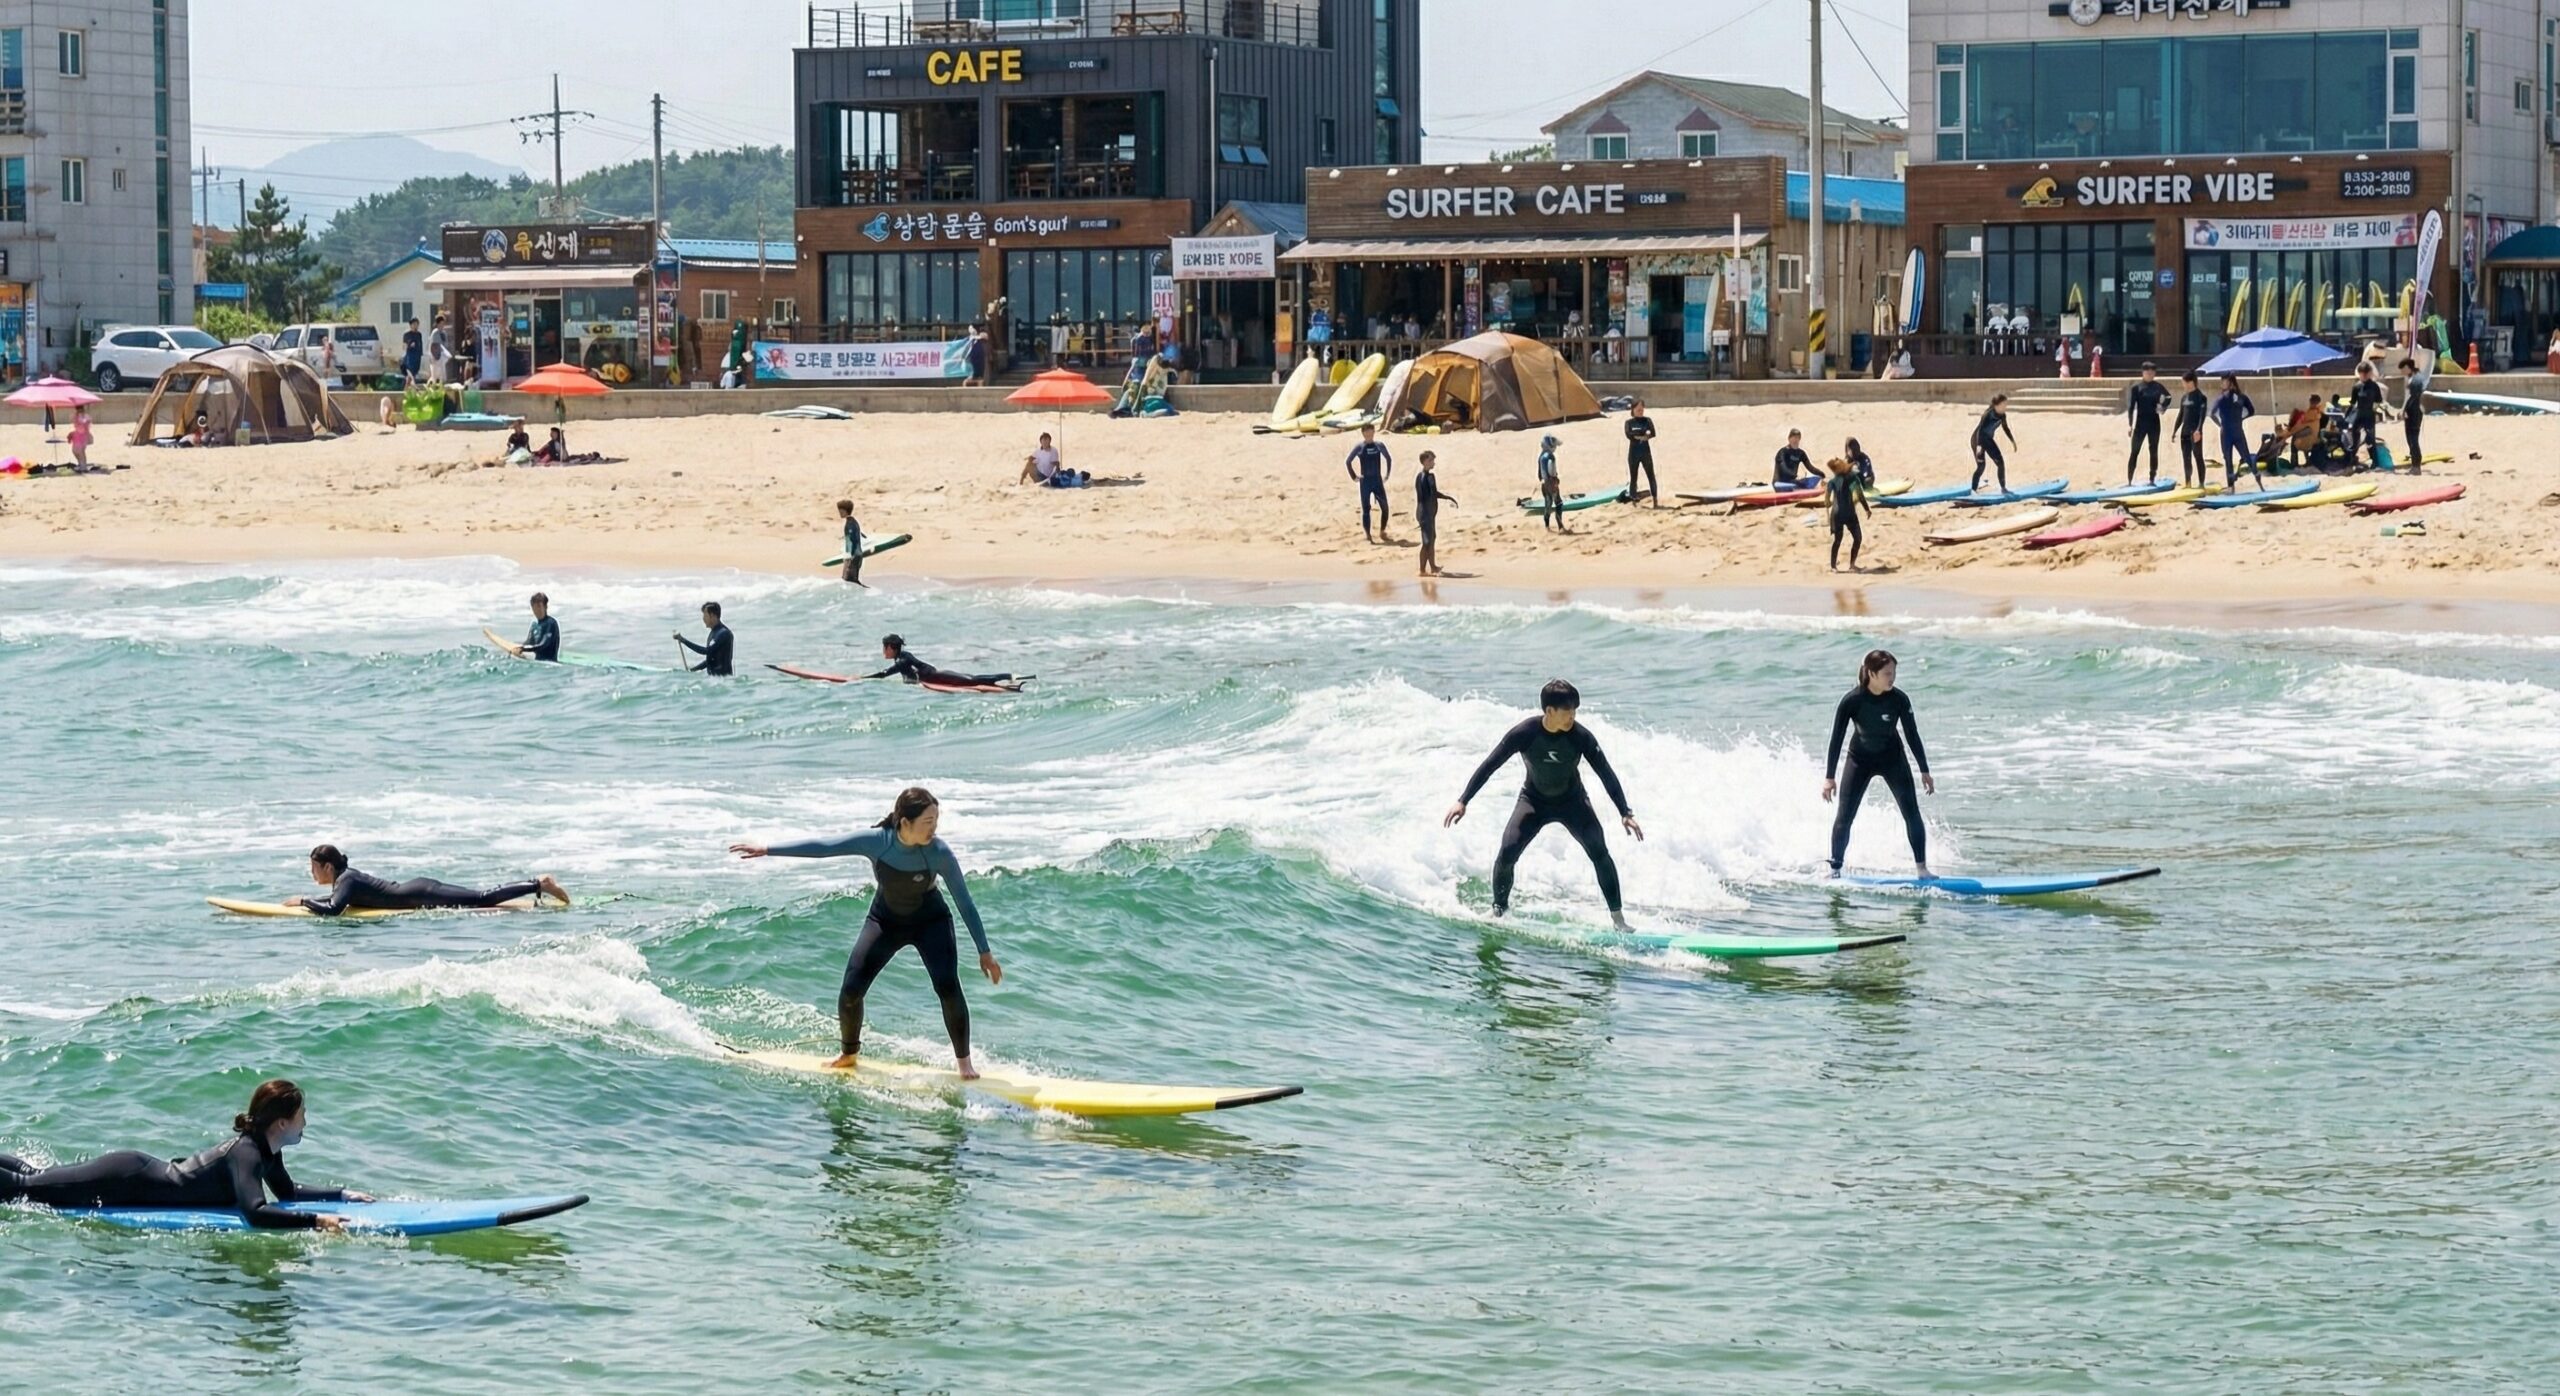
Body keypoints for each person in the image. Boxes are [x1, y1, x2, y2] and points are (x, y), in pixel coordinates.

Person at [729, 787, 1001, 1079]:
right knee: (851, 991)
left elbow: (964, 902)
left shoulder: (939, 853)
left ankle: (965, 1064)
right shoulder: (877, 841)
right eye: (928, 821)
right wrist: (768, 849)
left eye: (936, 820)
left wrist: (984, 951)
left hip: (930, 922)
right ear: (905, 822)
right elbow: (825, 846)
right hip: (885, 921)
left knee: (947, 987)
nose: (934, 828)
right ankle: (848, 1054)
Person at [0, 1079, 371, 1230]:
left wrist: (342, 1195)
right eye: (302, 1116)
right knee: (24, 1187)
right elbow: (255, 1212)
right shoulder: (247, 1153)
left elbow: (287, 1192)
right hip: (125, 1177)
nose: (306, 1122)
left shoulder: (267, 1151)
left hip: (136, 1174)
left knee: (33, 1176)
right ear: (282, 1123)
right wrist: (315, 1221)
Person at [1443, 679, 1643, 928]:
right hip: (1534, 801)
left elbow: (1605, 772)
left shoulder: (1580, 737)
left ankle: (1619, 921)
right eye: (1567, 711)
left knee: (1599, 851)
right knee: (1507, 852)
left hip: (1573, 802)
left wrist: (1625, 812)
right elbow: (1490, 764)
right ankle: (1499, 912)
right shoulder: (1525, 733)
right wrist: (1463, 800)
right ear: (1549, 711)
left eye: (1575, 710)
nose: (1573, 716)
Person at [1822, 649, 1934, 879]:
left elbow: (1912, 735)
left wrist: (1924, 770)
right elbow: (1836, 738)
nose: (1892, 678)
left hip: (1893, 759)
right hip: (1859, 760)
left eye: (1894, 673)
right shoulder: (1852, 701)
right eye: (1887, 673)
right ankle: (1835, 870)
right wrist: (1829, 777)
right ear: (1872, 674)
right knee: (1844, 817)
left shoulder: (1899, 699)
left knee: (1911, 813)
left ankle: (1922, 870)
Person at [284, 844, 568, 916]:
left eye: (314, 868)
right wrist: (307, 901)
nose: (312, 873)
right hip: (419, 889)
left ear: (328, 866)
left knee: (482, 898)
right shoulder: (345, 880)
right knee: (481, 897)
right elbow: (337, 900)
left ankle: (539, 884)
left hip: (423, 893)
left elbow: (334, 910)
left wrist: (305, 901)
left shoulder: (346, 880)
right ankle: (536, 885)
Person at [866, 634, 1019, 689]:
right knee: (971, 679)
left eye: (884, 648)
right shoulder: (902, 657)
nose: (883, 651)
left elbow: (884, 674)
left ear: (890, 648)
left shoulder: (902, 660)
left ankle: (1010, 677)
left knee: (972, 680)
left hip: (938, 677)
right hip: (936, 677)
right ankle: (1006, 679)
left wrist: (863, 678)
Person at [1823, 456, 1873, 572]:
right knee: (1858, 538)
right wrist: (1867, 509)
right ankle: (1852, 565)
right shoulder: (1853, 478)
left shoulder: (1832, 481)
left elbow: (1827, 501)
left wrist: (1828, 502)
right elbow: (1859, 495)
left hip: (1837, 514)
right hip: (1849, 513)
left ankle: (1833, 567)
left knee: (1837, 540)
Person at [2211, 375, 2260, 490]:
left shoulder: (2221, 398)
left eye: (2224, 382)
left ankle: (2231, 487)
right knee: (2246, 456)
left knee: (2228, 459)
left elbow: (2212, 414)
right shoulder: (2241, 397)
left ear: (2230, 383)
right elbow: (2251, 411)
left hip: (2226, 433)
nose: (2222, 384)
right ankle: (2259, 481)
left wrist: (2220, 424)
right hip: (2237, 431)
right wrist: (2242, 418)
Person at [1346, 423, 1393, 542]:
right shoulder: (1360, 447)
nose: (1368, 434)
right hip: (1365, 482)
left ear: (1374, 432)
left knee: (1385, 507)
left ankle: (1382, 531)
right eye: (1366, 431)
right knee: (1366, 509)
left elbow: (1388, 458)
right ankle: (1368, 534)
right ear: (1363, 433)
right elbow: (1348, 461)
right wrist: (1354, 476)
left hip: (1377, 480)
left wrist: (1387, 474)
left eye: (1370, 431)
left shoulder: (1379, 445)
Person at [2125, 361, 2170, 485]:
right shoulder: (2136, 388)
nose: (2150, 375)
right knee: (2135, 451)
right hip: (2140, 424)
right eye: (2147, 372)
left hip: (2154, 423)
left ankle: (2152, 479)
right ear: (2143, 373)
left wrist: (2162, 407)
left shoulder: (2158, 386)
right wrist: (2130, 425)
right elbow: (2131, 407)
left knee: (2153, 451)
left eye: (2152, 372)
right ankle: (2129, 480)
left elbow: (2168, 397)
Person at [1414, 449, 1456, 577]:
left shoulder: (1428, 476)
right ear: (1425, 461)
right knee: (1427, 541)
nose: (1433, 462)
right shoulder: (1423, 477)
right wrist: (1425, 515)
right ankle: (1422, 570)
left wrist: (1447, 497)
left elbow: (1433, 493)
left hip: (1429, 513)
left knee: (1432, 539)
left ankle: (1433, 567)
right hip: (1424, 513)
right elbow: (1425, 496)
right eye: (1431, 460)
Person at [1969, 395, 2016, 493]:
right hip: (1977, 440)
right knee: (1981, 466)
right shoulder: (1988, 414)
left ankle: (2003, 488)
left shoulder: (2002, 415)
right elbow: (1980, 431)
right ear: (1997, 405)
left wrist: (2013, 441)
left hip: (1988, 440)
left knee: (2000, 463)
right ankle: (1973, 490)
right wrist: (1979, 447)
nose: (2006, 406)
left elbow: (2006, 428)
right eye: (2004, 404)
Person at [677, 602, 734, 675]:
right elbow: (711, 660)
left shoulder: (724, 633)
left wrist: (683, 640)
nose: (703, 619)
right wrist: (692, 670)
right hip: (714, 679)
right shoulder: (713, 633)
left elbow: (706, 651)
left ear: (712, 615)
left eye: (705, 615)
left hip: (725, 679)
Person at [2345, 362, 2385, 467]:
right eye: (2362, 374)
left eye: (2366, 374)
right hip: (2359, 414)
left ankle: (2375, 462)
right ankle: (2351, 460)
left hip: (2369, 415)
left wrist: (2374, 410)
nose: (2364, 376)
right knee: (2354, 437)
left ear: (2370, 373)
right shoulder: (2357, 386)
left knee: (2370, 439)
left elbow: (2378, 400)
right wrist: (2347, 415)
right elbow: (2353, 402)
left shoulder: (2374, 386)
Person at [2174, 370, 2210, 489]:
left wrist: (2198, 430)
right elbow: (2181, 415)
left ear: (2190, 382)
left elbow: (2202, 416)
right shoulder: (2184, 397)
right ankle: (2188, 483)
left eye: (2184, 382)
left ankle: (2201, 483)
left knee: (2198, 456)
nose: (2183, 385)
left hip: (2195, 432)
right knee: (2186, 458)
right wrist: (2175, 430)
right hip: (2184, 432)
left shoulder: (2201, 397)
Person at [1623, 400, 1659, 506]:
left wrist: (1639, 435)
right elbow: (1629, 434)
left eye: (1642, 409)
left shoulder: (1647, 420)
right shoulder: (1629, 422)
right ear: (1633, 410)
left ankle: (1655, 499)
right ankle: (1633, 500)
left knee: (1651, 475)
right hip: (1633, 453)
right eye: (1638, 409)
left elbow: (1653, 433)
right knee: (1633, 477)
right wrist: (1642, 435)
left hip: (1645, 452)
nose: (1640, 411)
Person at [1019, 432, 1087, 488]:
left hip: (1046, 477)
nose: (1045, 442)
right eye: (1043, 440)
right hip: (1038, 474)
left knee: (1030, 464)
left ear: (1049, 441)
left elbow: (1056, 463)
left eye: (1047, 440)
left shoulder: (1053, 451)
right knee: (1029, 463)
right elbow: (1031, 458)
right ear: (1041, 442)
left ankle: (1025, 481)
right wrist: (1029, 458)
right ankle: (1022, 480)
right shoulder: (1038, 451)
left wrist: (1058, 471)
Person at [2399, 355, 2430, 469]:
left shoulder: (2416, 380)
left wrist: (2404, 410)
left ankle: (2416, 464)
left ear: (2408, 367)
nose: (2402, 372)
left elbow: (2411, 397)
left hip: (2414, 411)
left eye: (2403, 369)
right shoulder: (2414, 378)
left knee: (2412, 438)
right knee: (2411, 437)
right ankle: (2415, 462)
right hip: (2413, 410)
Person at [836, 499, 868, 588]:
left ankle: (863, 589)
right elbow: (859, 534)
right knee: (853, 580)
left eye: (841, 512)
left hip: (853, 555)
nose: (840, 514)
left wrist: (848, 555)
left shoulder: (849, 524)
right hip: (857, 554)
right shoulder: (853, 521)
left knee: (848, 580)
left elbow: (852, 539)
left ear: (845, 511)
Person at [1536, 434, 1565, 531]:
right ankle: (1560, 527)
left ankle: (1547, 526)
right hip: (1551, 483)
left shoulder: (1541, 457)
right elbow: (1552, 471)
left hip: (1544, 484)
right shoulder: (1550, 457)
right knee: (1558, 503)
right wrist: (1555, 480)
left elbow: (1539, 474)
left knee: (1548, 504)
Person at [521, 591, 560, 661]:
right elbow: (528, 643)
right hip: (537, 662)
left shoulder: (551, 623)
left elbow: (544, 644)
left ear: (545, 607)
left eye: (539, 606)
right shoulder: (534, 624)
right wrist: (519, 647)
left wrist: (524, 649)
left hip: (549, 663)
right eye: (534, 607)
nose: (537, 610)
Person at [428, 314, 452, 384]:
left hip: (442, 356)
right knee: (435, 375)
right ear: (437, 324)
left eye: (443, 323)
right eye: (441, 323)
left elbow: (445, 345)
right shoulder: (435, 332)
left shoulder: (444, 333)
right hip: (436, 357)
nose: (442, 325)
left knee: (442, 374)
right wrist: (435, 356)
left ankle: (440, 386)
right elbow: (434, 346)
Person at [400, 318, 424, 386]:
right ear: (411, 325)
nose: (416, 326)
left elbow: (420, 344)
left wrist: (421, 353)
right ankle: (408, 387)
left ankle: (408, 387)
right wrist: (410, 346)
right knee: (410, 373)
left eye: (417, 324)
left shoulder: (419, 334)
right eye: (414, 324)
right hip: (410, 357)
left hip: (417, 356)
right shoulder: (407, 334)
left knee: (414, 373)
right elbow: (404, 346)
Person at [67, 404, 92, 469]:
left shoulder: (86, 417)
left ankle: (83, 466)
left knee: (81, 451)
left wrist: (88, 436)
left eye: (80, 409)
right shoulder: (75, 416)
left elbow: (86, 424)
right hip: (77, 435)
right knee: (74, 451)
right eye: (78, 409)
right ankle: (80, 463)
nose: (79, 411)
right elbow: (72, 419)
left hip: (83, 435)